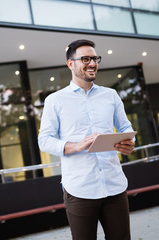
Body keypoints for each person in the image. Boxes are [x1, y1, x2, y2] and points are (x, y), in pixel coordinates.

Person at [38, 39, 135, 240]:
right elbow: (44, 140)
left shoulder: (111, 95)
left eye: (94, 58)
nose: (92, 63)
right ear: (70, 64)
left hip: (114, 185)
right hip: (79, 189)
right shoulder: (55, 100)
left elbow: (126, 127)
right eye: (85, 59)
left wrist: (128, 142)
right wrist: (76, 145)